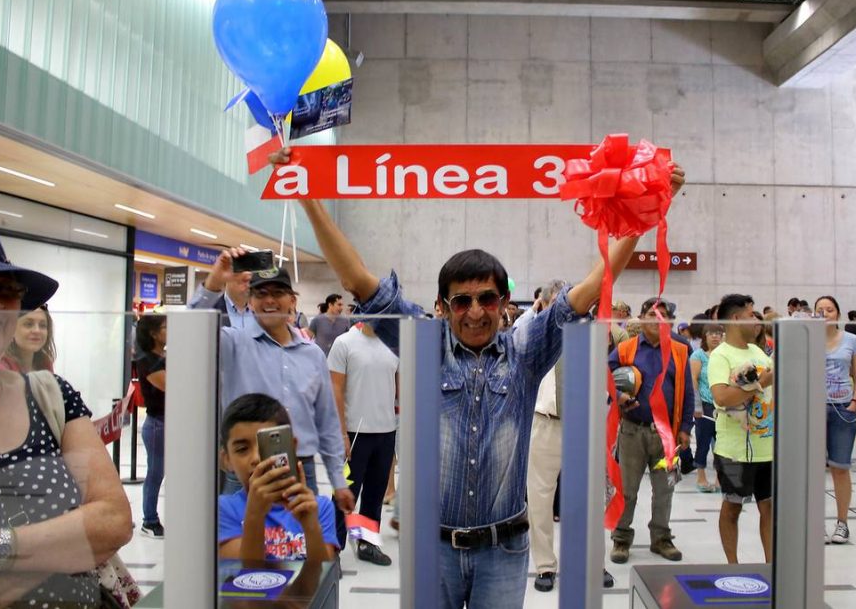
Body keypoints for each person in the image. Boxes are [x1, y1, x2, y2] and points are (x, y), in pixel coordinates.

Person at [271, 146, 686, 606]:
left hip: (503, 551)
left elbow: (592, 288)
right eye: (461, 301)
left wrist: (651, 208)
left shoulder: (525, 352)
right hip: (433, 549)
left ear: (504, 302)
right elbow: (357, 281)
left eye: (487, 299)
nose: (474, 312)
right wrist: (306, 195)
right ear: (443, 306)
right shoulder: (424, 346)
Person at [0, 222, 132, 605]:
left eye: (5, 292)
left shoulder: (51, 395)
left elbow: (114, 520)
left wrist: (0, 546)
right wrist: (70, 547)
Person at [188, 258, 355, 513]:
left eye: (277, 293)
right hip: (247, 469)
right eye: (261, 293)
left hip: (301, 469)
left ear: (292, 300)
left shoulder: (313, 355)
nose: (269, 300)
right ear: (250, 301)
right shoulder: (233, 344)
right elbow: (190, 330)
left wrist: (338, 480)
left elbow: (326, 421)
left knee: (301, 538)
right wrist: (214, 282)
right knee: (239, 538)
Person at [526, 280, 614, 592]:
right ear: (545, 305)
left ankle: (593, 561)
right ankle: (545, 566)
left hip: (582, 425)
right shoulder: (532, 334)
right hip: (544, 423)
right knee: (540, 499)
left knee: (589, 499)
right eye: (558, 303)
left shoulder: (590, 333)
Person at [608, 297, 694, 563]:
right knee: (627, 490)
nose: (658, 319)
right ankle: (621, 539)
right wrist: (619, 396)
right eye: (652, 314)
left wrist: (685, 428)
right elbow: (606, 375)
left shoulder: (680, 350)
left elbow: (688, 392)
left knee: (665, 489)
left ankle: (661, 538)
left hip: (667, 434)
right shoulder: (626, 348)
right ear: (641, 318)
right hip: (632, 431)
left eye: (663, 315)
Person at [218, 393, 339, 561]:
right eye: (242, 449)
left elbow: (323, 572)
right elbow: (243, 571)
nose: (256, 458)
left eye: (267, 445)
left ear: (291, 447)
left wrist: (311, 527)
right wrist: (255, 514)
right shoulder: (222, 509)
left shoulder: (319, 507)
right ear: (226, 460)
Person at [708, 294, 775, 564]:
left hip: (766, 447)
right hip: (734, 452)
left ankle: (771, 566)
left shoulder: (759, 353)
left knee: (769, 508)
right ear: (735, 318)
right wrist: (761, 384)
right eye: (750, 314)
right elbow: (722, 397)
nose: (756, 320)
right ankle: (732, 566)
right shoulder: (720, 356)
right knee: (733, 507)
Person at [328, 322, 399, 565]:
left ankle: (367, 544)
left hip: (386, 431)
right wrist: (341, 433)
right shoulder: (344, 343)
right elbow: (335, 389)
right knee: (345, 492)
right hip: (354, 433)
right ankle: (332, 548)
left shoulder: (393, 344)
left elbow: (399, 388)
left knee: (375, 493)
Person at [815, 296, 856, 544]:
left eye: (830, 309)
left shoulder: (851, 340)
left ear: (838, 313)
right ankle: (816, 523)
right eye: (820, 310)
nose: (825, 313)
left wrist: (854, 402)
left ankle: (842, 523)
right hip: (813, 410)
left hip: (843, 408)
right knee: (813, 469)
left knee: (840, 467)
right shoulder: (808, 339)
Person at [135, 314, 168, 539]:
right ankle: (149, 520)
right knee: (155, 473)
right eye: (165, 327)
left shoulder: (162, 357)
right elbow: (172, 385)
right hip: (158, 424)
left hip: (168, 423)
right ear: (153, 333)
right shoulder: (147, 360)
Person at [691, 323, 724, 492]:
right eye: (711, 333)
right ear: (705, 336)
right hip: (705, 405)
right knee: (703, 442)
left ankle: (719, 478)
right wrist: (697, 405)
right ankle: (701, 477)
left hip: (723, 405)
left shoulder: (725, 354)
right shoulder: (698, 355)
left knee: (722, 444)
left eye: (718, 333)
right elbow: (693, 379)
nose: (715, 336)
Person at [0, 306, 56, 373]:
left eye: (42, 325)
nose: (37, 330)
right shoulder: (0, 368)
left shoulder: (45, 363)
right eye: (28, 324)